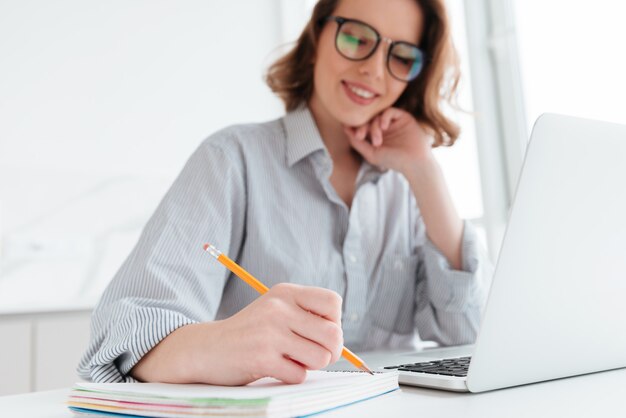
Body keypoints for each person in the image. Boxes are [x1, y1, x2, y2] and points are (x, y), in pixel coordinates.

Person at [78, 0, 491, 386]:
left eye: (401, 56)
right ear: (315, 39)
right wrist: (226, 343)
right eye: (357, 39)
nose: (375, 71)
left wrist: (425, 172)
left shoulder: (409, 186)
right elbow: (121, 340)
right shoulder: (231, 159)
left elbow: (471, 338)